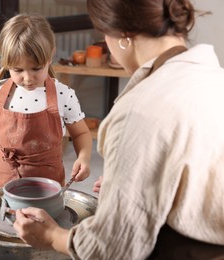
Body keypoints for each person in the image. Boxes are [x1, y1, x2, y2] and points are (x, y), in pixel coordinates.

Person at [13, 0, 224, 259]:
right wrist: (126, 185)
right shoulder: (214, 78)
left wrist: (52, 237)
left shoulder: (139, 111)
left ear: (122, 36)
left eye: (103, 33)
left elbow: (113, 247)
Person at [0, 13, 92, 189]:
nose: (28, 78)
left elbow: (81, 133)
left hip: (46, 186)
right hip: (3, 181)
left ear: (50, 56)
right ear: (6, 63)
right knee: (5, 216)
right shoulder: (2, 92)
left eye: (36, 68)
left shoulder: (63, 95)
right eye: (18, 69)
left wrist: (83, 158)